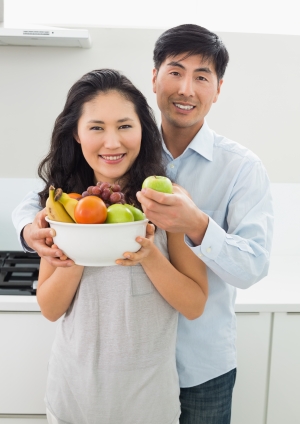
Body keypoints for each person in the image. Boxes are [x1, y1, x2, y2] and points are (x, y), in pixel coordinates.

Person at [12, 24, 274, 424]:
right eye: (175, 71)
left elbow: (230, 279)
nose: (112, 142)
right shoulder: (73, 200)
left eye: (201, 76)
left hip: (182, 377)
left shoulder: (195, 186)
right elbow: (40, 223)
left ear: (218, 88)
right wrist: (52, 235)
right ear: (155, 77)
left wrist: (188, 228)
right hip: (77, 396)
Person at [28, 68, 208, 424]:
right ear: (76, 135)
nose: (112, 142)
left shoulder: (169, 201)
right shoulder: (61, 206)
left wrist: (150, 255)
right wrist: (83, 241)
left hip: (148, 404)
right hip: (72, 400)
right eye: (96, 127)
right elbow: (49, 308)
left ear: (143, 130)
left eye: (125, 126)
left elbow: (195, 304)